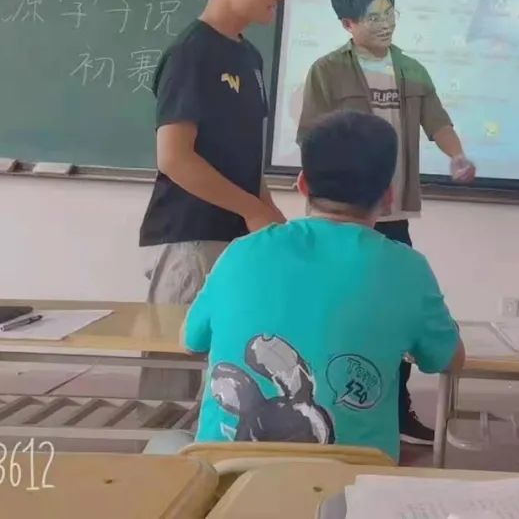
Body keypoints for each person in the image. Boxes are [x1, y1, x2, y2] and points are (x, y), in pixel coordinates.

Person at [180, 110, 465, 461]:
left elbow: (191, 341)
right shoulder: (408, 269)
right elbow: (449, 360)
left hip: (228, 482)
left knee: (171, 444)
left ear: (302, 184)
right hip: (349, 485)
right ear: (389, 196)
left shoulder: (241, 252)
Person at [297, 0, 475, 446]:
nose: (386, 23)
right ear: (348, 23)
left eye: (390, 13)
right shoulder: (327, 71)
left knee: (392, 313)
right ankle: (321, 403)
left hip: (390, 212)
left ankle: (397, 409)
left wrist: (457, 154)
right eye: (374, 17)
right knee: (336, 305)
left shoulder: (412, 70)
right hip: (341, 212)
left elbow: (438, 121)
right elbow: (312, 136)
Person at [138, 0, 287, 401]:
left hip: (236, 238)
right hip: (190, 235)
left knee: (225, 377)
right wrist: (253, 209)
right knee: (174, 385)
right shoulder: (192, 52)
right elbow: (174, 157)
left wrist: (269, 215)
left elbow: (244, 155)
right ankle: (161, 451)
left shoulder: (249, 57)